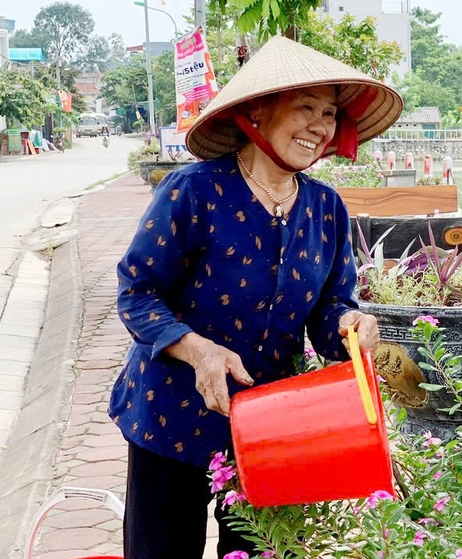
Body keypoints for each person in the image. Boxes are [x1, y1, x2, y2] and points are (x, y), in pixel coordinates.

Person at [108, 36, 403, 559]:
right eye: (305, 108)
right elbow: (139, 292)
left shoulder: (325, 207)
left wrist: (351, 323)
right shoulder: (193, 190)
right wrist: (197, 349)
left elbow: (329, 307)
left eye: (330, 113)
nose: (319, 126)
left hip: (272, 426)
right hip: (171, 415)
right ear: (258, 112)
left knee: (261, 551)